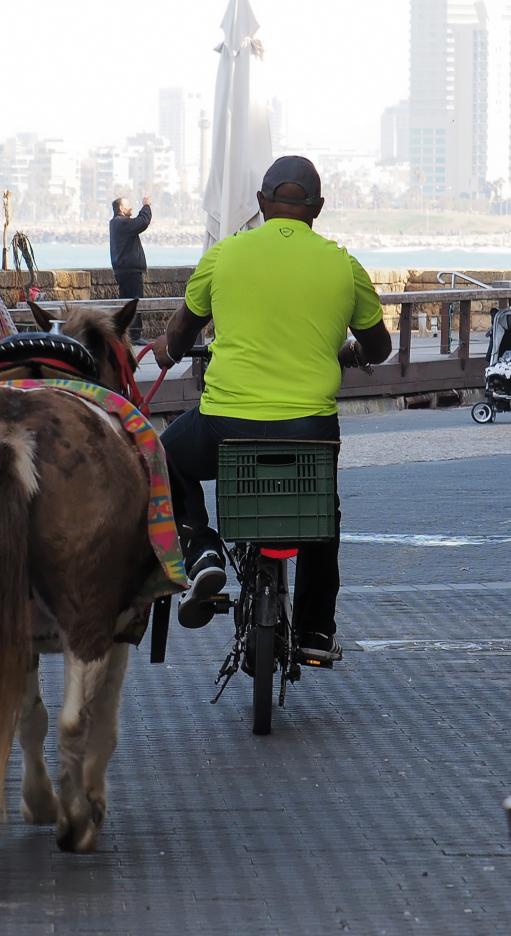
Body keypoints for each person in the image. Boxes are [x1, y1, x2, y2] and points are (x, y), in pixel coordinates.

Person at [151, 156, 392, 664]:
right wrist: (353, 354)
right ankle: (314, 633)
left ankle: (202, 549)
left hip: (226, 426)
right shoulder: (344, 265)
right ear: (318, 208)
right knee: (322, 518)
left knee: (161, 456)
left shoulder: (225, 256)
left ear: (261, 203)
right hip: (309, 428)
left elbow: (180, 332)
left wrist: (166, 351)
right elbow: (379, 346)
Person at [110, 195, 151, 342]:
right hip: (130, 271)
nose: (131, 207)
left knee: (126, 303)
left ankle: (125, 333)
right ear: (121, 208)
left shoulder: (117, 223)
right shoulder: (121, 222)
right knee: (135, 302)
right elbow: (142, 222)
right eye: (128, 205)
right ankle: (134, 335)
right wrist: (146, 205)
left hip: (123, 269)